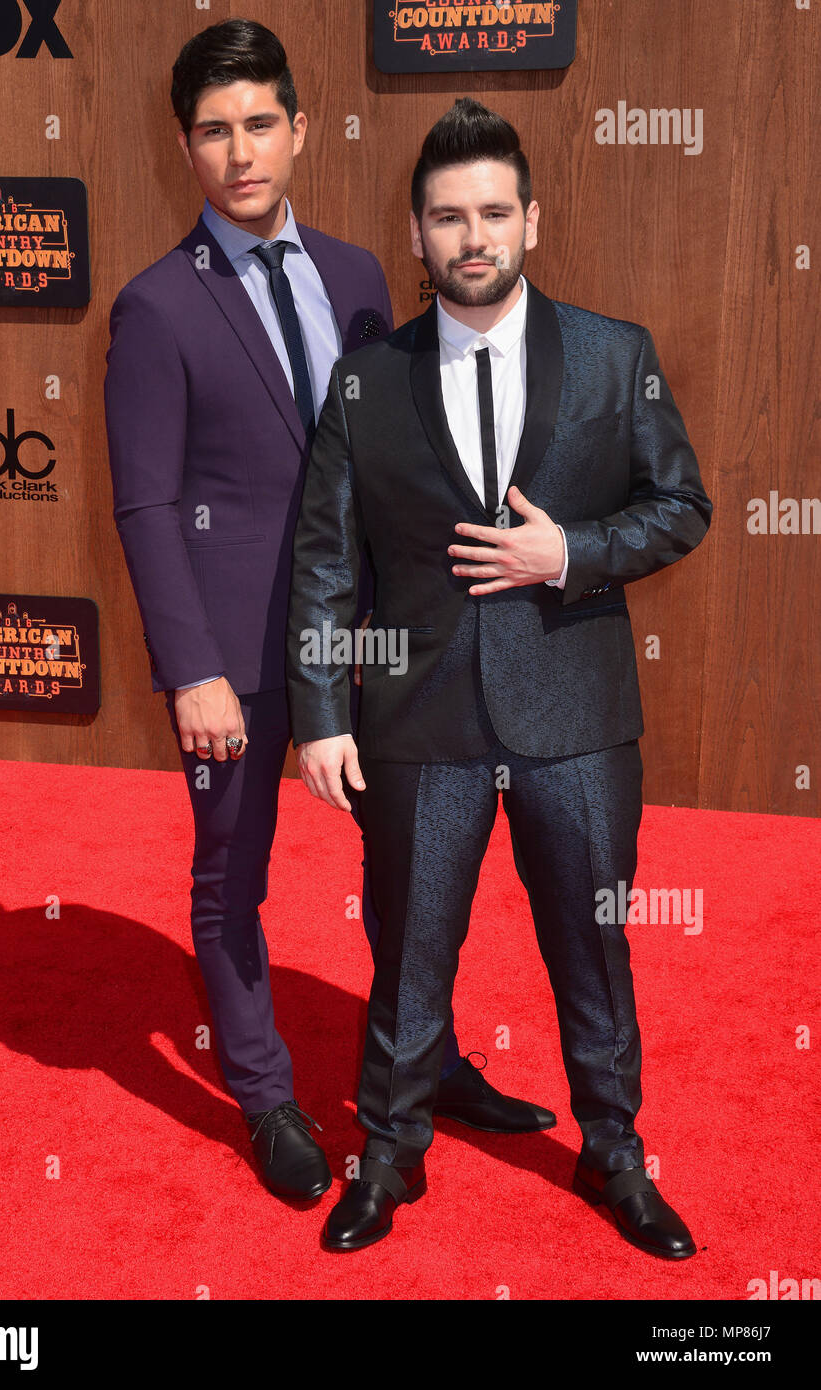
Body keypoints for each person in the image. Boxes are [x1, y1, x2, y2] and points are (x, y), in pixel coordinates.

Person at [104, 27, 551, 1206]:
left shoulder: (358, 274)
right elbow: (148, 506)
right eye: (212, 130)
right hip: (237, 648)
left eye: (259, 123)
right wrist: (189, 669)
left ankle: (428, 1059)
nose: (239, 152)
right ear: (185, 148)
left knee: (412, 867)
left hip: (378, 634)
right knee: (229, 877)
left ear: (300, 129)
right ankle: (262, 1096)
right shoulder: (154, 308)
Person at [287, 98, 712, 1254]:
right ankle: (390, 1152)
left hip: (575, 714)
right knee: (409, 950)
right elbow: (327, 558)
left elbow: (682, 507)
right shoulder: (366, 381)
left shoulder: (615, 355)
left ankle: (616, 1151)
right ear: (416, 234)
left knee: (593, 945)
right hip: (417, 720)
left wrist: (566, 552)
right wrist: (323, 712)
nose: (470, 237)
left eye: (490, 212)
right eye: (444, 217)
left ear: (532, 216)